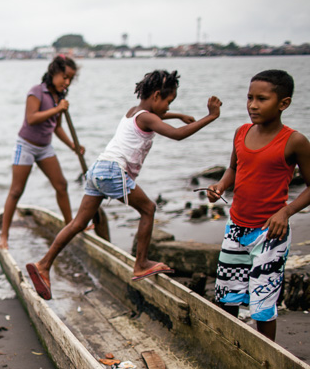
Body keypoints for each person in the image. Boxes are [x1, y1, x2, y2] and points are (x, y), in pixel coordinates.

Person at [26, 70, 222, 299]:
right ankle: (141, 263)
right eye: (168, 102)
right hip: (112, 172)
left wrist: (176, 114)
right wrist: (210, 117)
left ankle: (43, 264)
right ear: (157, 96)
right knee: (148, 209)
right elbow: (177, 135)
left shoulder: (134, 112)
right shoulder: (148, 118)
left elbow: (156, 117)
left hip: (97, 170)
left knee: (78, 223)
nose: (167, 108)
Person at [207, 70, 310, 341]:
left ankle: (267, 360)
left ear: (283, 103)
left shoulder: (294, 141)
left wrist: (285, 211)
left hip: (270, 235)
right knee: (226, 299)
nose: (253, 105)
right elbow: (233, 168)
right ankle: (229, 348)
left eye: (261, 99)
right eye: (249, 98)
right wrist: (220, 186)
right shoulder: (242, 132)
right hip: (235, 230)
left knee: (262, 307)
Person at [0, 55, 85, 250]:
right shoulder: (36, 92)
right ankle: (4, 236)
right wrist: (57, 109)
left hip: (45, 147)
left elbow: (57, 127)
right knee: (16, 191)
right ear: (53, 73)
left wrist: (73, 146)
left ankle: (70, 227)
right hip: (26, 145)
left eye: (70, 79)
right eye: (65, 77)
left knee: (61, 185)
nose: (67, 82)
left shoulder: (59, 98)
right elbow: (32, 118)